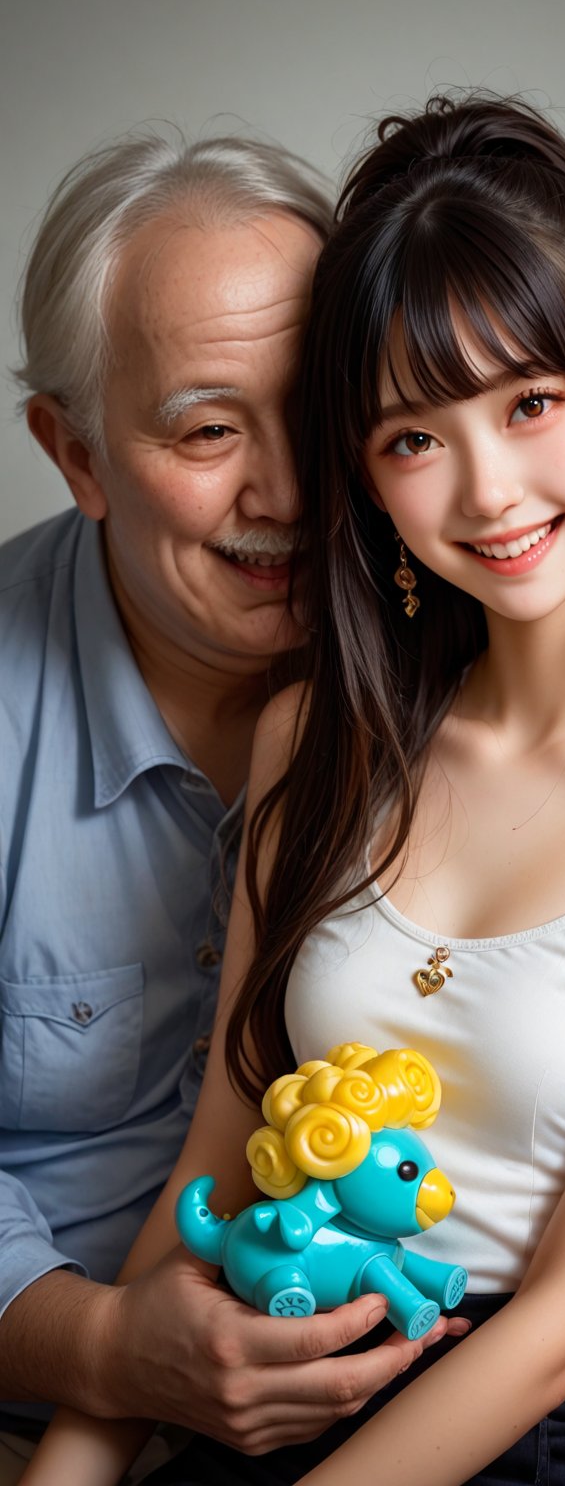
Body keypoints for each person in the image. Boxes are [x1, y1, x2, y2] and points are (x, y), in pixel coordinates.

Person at [24, 97, 565, 1486]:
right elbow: (212, 1164)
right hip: (273, 1380)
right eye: (413, 437)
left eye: (530, 404)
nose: (487, 489)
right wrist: (73, 1468)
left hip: (548, 1434)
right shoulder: (317, 743)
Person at [0, 130, 463, 1483]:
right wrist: (101, 1354)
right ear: (77, 456)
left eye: (315, 410)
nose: (293, 491)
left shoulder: (471, 650)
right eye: (207, 430)